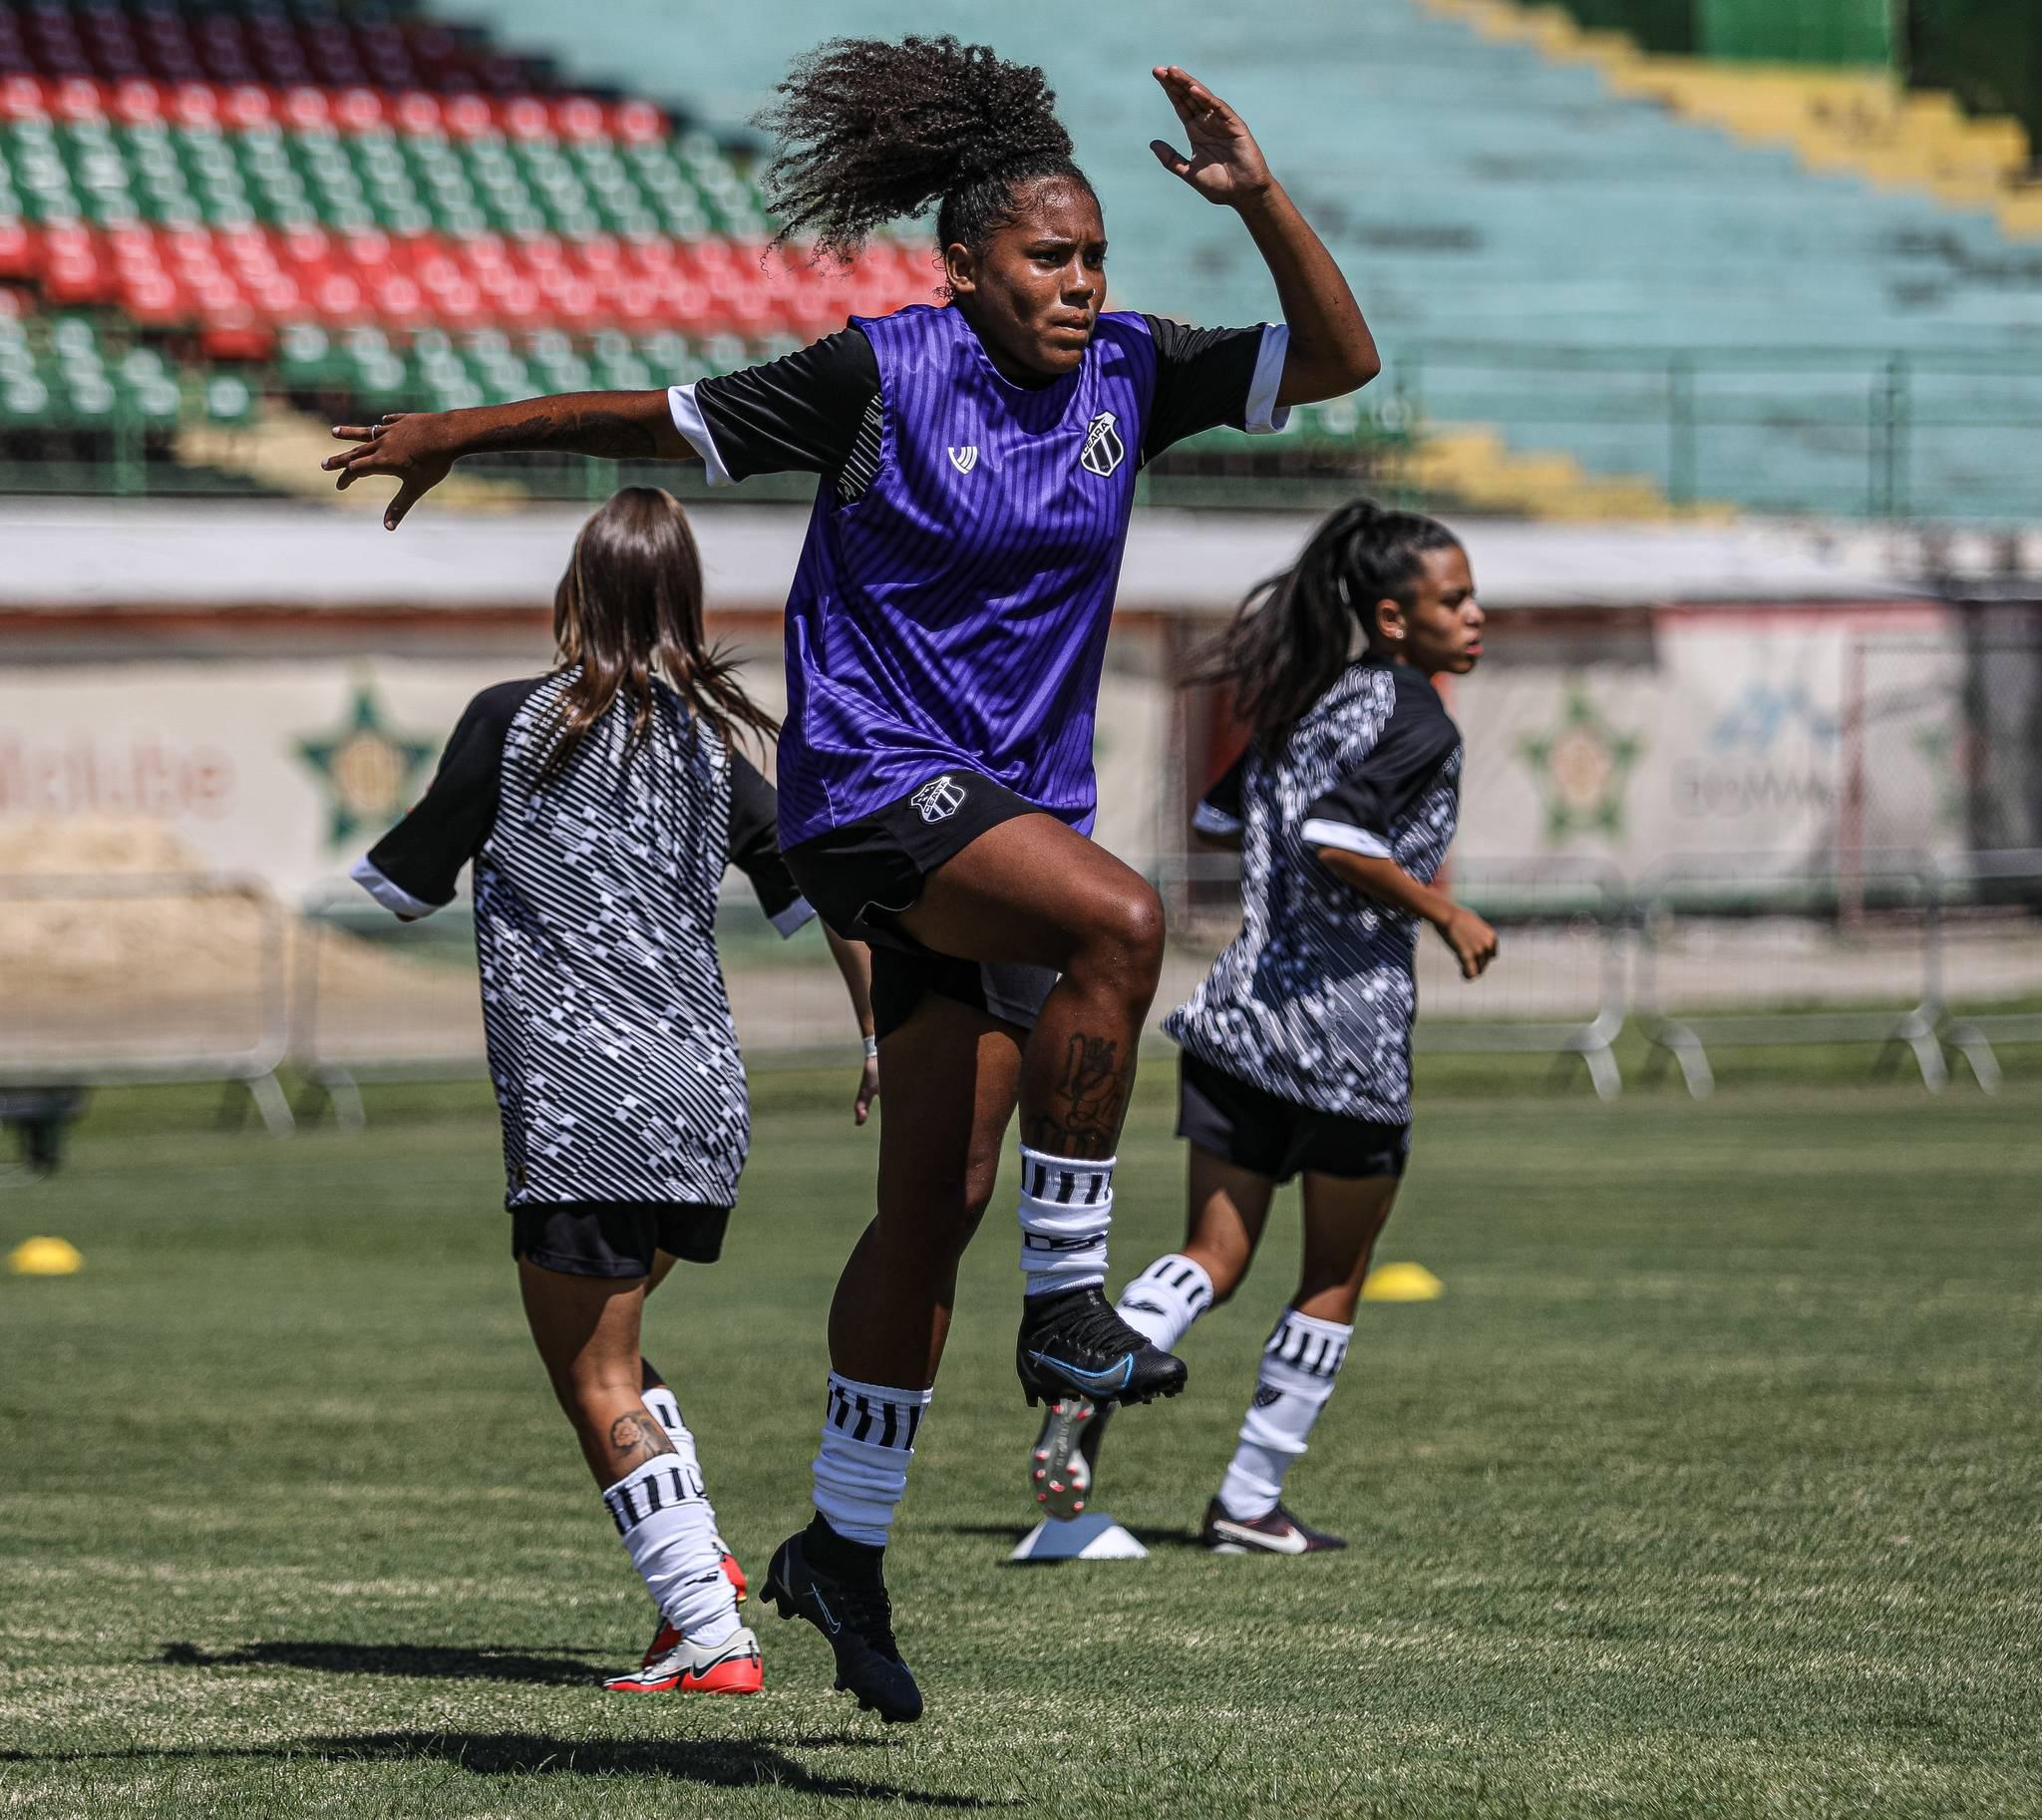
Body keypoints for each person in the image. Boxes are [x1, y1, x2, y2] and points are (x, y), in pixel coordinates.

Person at [322, 36, 1379, 1720]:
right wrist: (465, 426)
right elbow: (641, 412)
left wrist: (1257, 203)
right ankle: (1068, 1312)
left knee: (931, 1198)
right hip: (874, 792)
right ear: (962, 264)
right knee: (1120, 916)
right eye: (1048, 255)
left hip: (998, 822)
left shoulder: (1129, 372)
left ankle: (844, 1549)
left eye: (1092, 256)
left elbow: (1337, 361)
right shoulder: (879, 375)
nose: (1077, 281)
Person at [349, 487, 876, 1695]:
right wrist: (875, 1033)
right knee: (618, 1358)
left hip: (583, 1104)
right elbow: (834, 888)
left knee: (591, 1376)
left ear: (571, 597)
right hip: (699, 1097)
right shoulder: (722, 743)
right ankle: (699, 1580)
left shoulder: (512, 721)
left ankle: (708, 1627)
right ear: (687, 606)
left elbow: (407, 880)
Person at [1027, 500, 1496, 1554]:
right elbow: (1335, 832)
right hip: (1347, 1045)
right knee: (1330, 1275)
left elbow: (1217, 818)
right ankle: (1247, 1499)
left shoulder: (1305, 705)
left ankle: (1097, 1362)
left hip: (1240, 1024)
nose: (1474, 616)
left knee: (1210, 1253)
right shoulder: (1415, 716)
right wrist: (1443, 908)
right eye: (1452, 600)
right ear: (1390, 618)